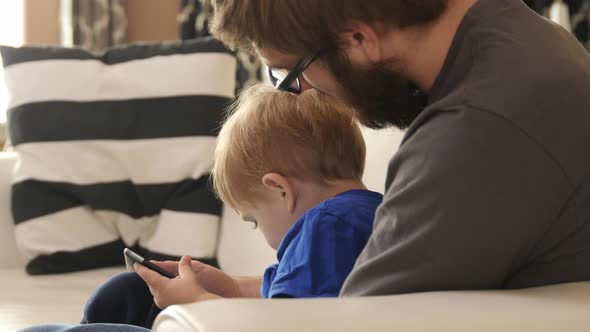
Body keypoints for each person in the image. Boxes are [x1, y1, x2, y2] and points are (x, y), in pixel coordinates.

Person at [205, 0, 590, 296]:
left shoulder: (473, 132)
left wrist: (208, 315)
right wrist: (237, 289)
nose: (303, 90)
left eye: (292, 73)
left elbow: (353, 322)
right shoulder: (520, 34)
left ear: (358, 38)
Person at [20, 85, 382, 332]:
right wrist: (231, 288)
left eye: (253, 220)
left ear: (280, 190)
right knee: (128, 291)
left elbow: (282, 325)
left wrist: (198, 301)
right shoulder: (363, 217)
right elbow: (300, 297)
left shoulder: (329, 226)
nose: (264, 236)